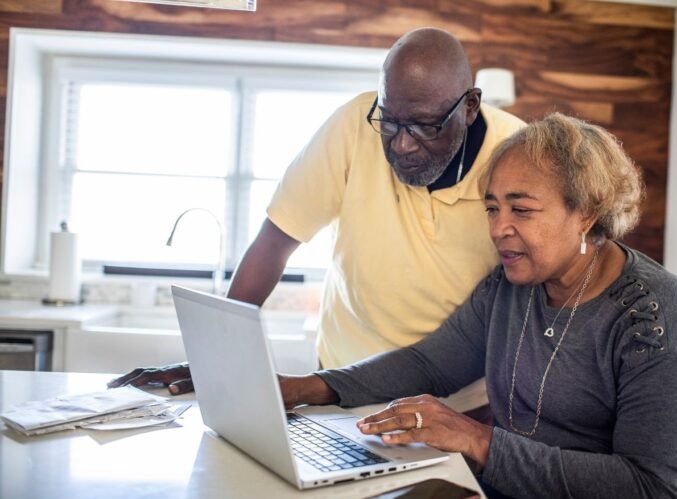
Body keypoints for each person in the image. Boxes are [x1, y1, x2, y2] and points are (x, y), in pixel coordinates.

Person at [278, 113, 677, 499]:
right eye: (492, 209)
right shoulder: (510, 287)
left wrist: (478, 440)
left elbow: (655, 492)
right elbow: (428, 363)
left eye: (521, 211)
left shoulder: (655, 318)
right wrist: (308, 388)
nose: (499, 229)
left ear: (585, 213)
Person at [108, 27, 527, 411]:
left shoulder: (516, 155)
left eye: (423, 127)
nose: (403, 145)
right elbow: (275, 243)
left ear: (470, 106)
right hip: (343, 382)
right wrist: (214, 358)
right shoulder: (353, 126)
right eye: (391, 122)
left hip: (459, 400)